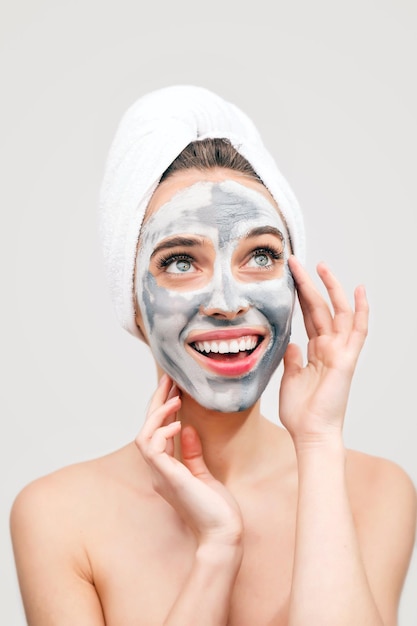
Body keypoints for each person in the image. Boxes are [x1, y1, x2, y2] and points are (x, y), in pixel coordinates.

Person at [10, 86, 416, 626]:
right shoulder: (57, 515)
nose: (228, 303)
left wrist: (318, 442)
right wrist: (217, 552)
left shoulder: (375, 491)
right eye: (180, 261)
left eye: (262, 255)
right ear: (130, 297)